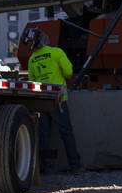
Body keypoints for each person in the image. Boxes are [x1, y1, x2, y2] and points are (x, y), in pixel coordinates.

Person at [21, 27, 83, 175]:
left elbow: (32, 82)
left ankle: (49, 168)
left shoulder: (32, 59)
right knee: (66, 133)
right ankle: (75, 166)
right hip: (58, 99)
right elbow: (68, 72)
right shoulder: (57, 52)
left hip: (42, 101)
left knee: (45, 136)